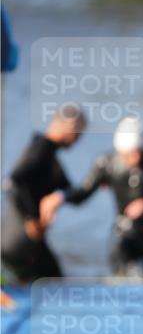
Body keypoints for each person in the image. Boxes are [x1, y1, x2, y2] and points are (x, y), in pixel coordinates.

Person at [40, 117, 143, 280]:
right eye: (129, 154)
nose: (135, 158)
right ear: (119, 150)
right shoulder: (106, 163)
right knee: (120, 280)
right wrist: (60, 196)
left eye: (138, 152)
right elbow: (83, 193)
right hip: (124, 232)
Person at [1, 105, 87, 282]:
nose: (79, 139)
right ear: (68, 125)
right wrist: (30, 219)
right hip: (18, 238)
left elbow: (72, 192)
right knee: (51, 285)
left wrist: (100, 178)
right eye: (78, 132)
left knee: (52, 283)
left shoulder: (50, 156)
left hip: (31, 241)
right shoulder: (41, 148)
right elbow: (12, 183)